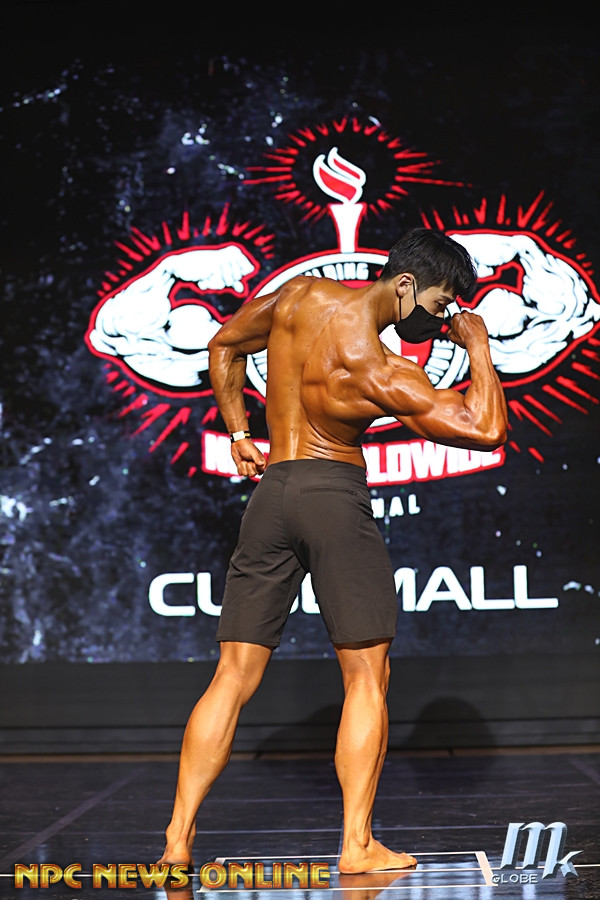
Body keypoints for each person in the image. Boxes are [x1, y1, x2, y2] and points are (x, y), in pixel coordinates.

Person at [158, 227, 508, 874]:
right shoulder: (379, 369)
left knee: (232, 675)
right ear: (405, 284)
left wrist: (239, 433)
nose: (443, 319)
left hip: (272, 494)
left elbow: (224, 344)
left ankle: (177, 840)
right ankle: (356, 845)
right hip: (333, 496)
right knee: (367, 676)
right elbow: (486, 429)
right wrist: (479, 347)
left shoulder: (299, 296)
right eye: (440, 304)